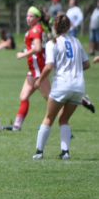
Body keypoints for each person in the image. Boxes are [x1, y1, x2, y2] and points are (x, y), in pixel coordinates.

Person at [32, 15, 91, 159]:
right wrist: (74, 70)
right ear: (69, 27)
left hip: (61, 85)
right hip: (78, 87)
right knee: (64, 119)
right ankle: (65, 152)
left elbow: (49, 66)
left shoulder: (53, 43)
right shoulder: (76, 41)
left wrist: (39, 81)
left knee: (49, 117)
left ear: (54, 27)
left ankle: (39, 152)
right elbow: (87, 64)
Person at [4, 7, 51, 131]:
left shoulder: (36, 29)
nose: (28, 18)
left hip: (39, 69)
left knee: (50, 99)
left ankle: (65, 126)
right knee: (24, 96)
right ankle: (16, 126)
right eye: (27, 16)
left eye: (31, 16)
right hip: (33, 69)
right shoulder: (40, 28)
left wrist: (22, 54)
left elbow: (37, 48)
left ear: (38, 18)